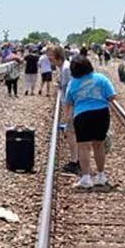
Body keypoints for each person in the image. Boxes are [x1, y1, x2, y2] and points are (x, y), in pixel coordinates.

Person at [64, 56, 116, 189]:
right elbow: (112, 97)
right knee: (99, 144)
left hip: (82, 115)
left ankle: (86, 177)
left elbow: (68, 103)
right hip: (101, 113)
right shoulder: (101, 79)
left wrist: (68, 120)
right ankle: (101, 175)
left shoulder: (73, 83)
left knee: (83, 146)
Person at [48, 46, 79, 174]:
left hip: (72, 105)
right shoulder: (62, 68)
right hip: (70, 105)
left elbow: (68, 89)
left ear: (57, 57)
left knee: (71, 133)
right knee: (71, 133)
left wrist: (67, 110)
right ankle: (76, 159)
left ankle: (75, 161)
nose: (49, 59)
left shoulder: (66, 68)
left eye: (51, 57)